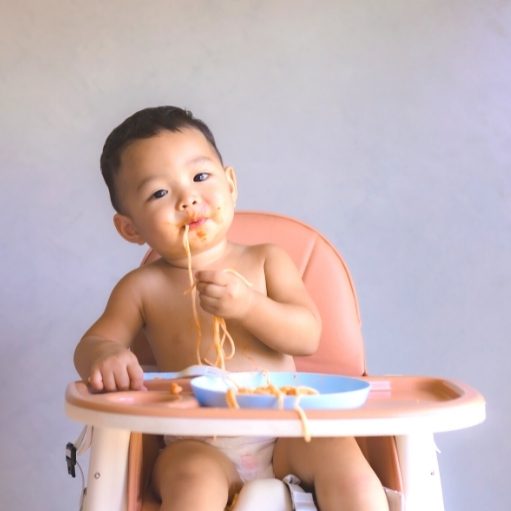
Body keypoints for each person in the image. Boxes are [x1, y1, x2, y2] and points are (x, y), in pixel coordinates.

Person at [74, 106, 389, 511]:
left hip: (289, 432)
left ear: (231, 184)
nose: (188, 198)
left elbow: (307, 335)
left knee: (349, 471)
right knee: (192, 484)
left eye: (200, 177)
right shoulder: (142, 287)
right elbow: (94, 341)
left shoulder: (266, 260)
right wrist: (106, 354)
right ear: (130, 228)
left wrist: (250, 306)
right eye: (159, 193)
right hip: (197, 443)